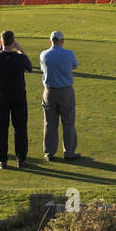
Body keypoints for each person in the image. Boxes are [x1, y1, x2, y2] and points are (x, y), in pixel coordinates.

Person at [0, 30, 34, 170]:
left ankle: (2, 160)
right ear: (13, 42)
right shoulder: (20, 58)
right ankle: (21, 160)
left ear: (1, 41)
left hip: (1, 97)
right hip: (19, 96)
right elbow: (29, 67)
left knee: (1, 128)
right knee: (20, 129)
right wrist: (20, 49)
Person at [40, 30, 80, 161]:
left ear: (50, 41)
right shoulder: (69, 54)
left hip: (49, 92)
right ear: (62, 41)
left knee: (49, 123)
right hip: (65, 91)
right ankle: (69, 152)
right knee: (68, 122)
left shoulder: (44, 54)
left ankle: (49, 152)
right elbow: (75, 65)